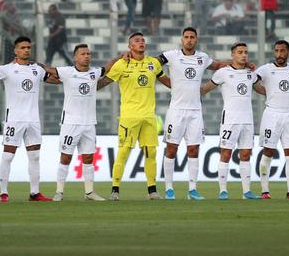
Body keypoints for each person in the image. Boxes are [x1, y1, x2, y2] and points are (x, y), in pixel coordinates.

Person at [97, 32, 171, 200]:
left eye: (143, 40)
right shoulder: (122, 64)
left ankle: (152, 190)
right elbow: (104, 82)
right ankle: (115, 189)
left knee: (150, 153)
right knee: (123, 152)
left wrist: (184, 88)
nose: (141, 42)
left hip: (148, 117)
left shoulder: (153, 63)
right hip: (129, 117)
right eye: (137, 41)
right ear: (130, 46)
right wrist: (87, 87)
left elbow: (166, 81)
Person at [159, 27, 231, 200]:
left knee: (193, 149)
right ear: (181, 39)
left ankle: (192, 189)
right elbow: (152, 64)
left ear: (196, 40)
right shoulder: (171, 55)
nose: (189, 40)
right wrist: (165, 80)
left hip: (195, 111)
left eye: (192, 37)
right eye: (186, 37)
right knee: (171, 148)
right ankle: (169, 189)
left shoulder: (203, 58)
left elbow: (218, 65)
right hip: (176, 110)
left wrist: (240, 63)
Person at [42, 44, 114, 201]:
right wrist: (34, 64)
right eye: (83, 54)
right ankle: (59, 192)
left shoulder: (95, 73)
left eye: (88, 53)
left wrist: (119, 58)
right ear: (75, 57)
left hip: (89, 123)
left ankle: (89, 192)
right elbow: (49, 70)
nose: (87, 56)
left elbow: (107, 68)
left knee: (88, 158)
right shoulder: (67, 72)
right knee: (65, 157)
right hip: (70, 123)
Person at [0, 37, 54, 202]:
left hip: (33, 119)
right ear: (15, 50)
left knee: (34, 156)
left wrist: (47, 68)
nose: (26, 50)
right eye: (22, 47)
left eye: (28, 47)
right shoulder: (6, 69)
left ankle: (35, 193)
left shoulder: (37, 69)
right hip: (14, 119)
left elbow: (56, 79)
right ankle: (3, 193)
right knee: (7, 156)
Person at [200, 42, 261, 200]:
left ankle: (246, 191)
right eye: (240, 52)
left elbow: (260, 89)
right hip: (230, 119)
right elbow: (206, 89)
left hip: (247, 119)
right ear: (233, 55)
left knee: (246, 154)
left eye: (246, 52)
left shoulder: (251, 73)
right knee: (226, 153)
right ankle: (223, 190)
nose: (244, 55)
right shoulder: (223, 73)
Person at [254, 40, 289, 199]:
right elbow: (252, 80)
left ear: (288, 52)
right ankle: (265, 191)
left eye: (282, 51)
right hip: (272, 115)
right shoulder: (266, 69)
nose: (279, 54)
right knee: (268, 151)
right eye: (276, 51)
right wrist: (265, 91)